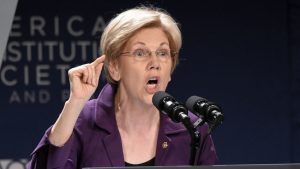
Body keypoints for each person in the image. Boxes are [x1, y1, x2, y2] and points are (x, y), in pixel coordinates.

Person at [27, 6, 218, 169]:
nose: (155, 63)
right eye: (141, 53)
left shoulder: (190, 128)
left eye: (162, 53)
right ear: (115, 67)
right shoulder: (83, 121)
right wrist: (75, 103)